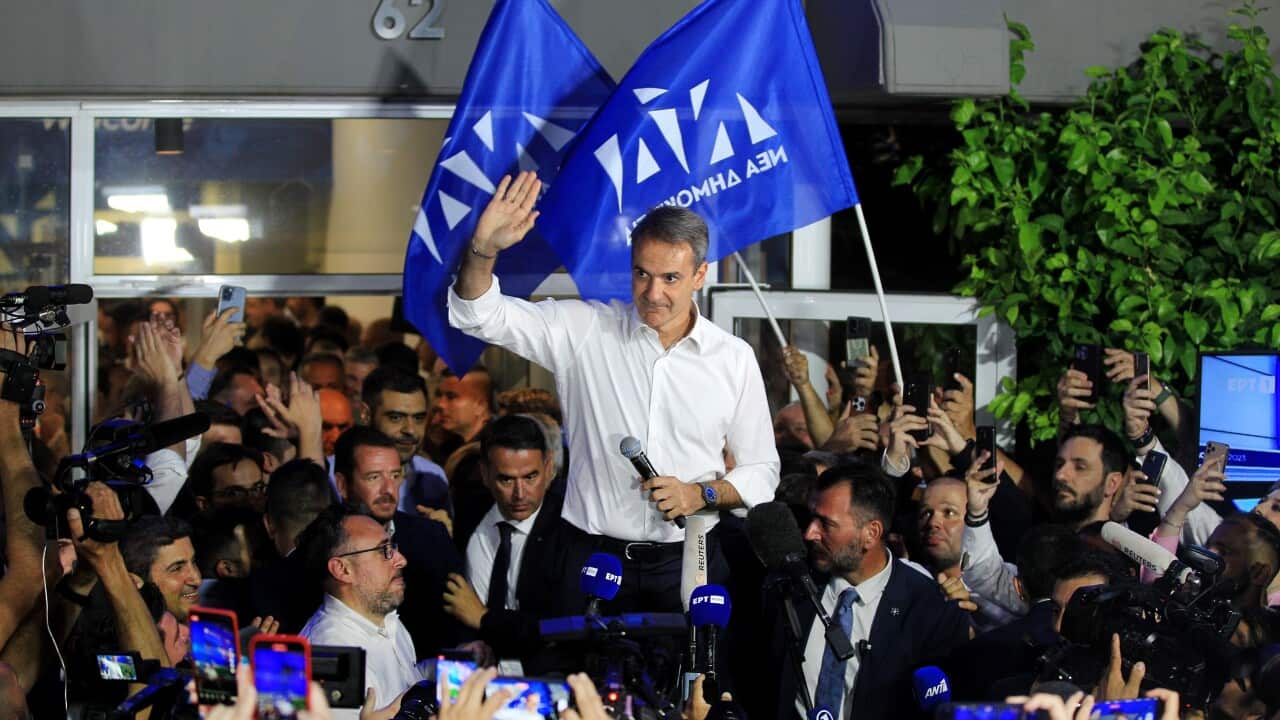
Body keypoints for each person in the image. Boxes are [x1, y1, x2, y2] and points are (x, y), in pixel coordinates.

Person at [448, 171, 779, 612]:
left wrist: (702, 494)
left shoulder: (732, 358)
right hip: (590, 557)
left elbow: (761, 470)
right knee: (582, 681)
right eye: (642, 274)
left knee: (692, 682)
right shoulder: (586, 330)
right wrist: (484, 248)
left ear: (700, 274)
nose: (653, 293)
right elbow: (479, 315)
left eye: (670, 278)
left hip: (690, 559)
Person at [765, 461, 971, 720]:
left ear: (871, 534)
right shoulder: (788, 588)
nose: (810, 533)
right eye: (811, 518)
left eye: (826, 524)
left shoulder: (928, 609)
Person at [441, 415, 574, 668]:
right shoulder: (468, 515)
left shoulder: (569, 533)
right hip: (475, 681)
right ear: (485, 474)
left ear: (549, 469)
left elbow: (557, 629)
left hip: (542, 684)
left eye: (530, 477)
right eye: (506, 479)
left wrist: (483, 619)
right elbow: (452, 604)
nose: (520, 493)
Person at [333, 426, 465, 659]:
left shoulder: (431, 538)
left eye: (395, 475)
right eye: (373, 477)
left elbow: (457, 620)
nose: (388, 489)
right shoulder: (325, 543)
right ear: (342, 485)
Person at [298, 503, 421, 719]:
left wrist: (444, 667)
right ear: (342, 569)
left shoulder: (385, 619)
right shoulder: (330, 654)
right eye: (384, 551)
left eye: (393, 546)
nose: (401, 559)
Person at [360, 366, 449, 517]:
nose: (410, 430)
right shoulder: (331, 476)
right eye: (396, 417)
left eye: (418, 418)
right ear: (366, 415)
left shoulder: (433, 476)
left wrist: (442, 536)